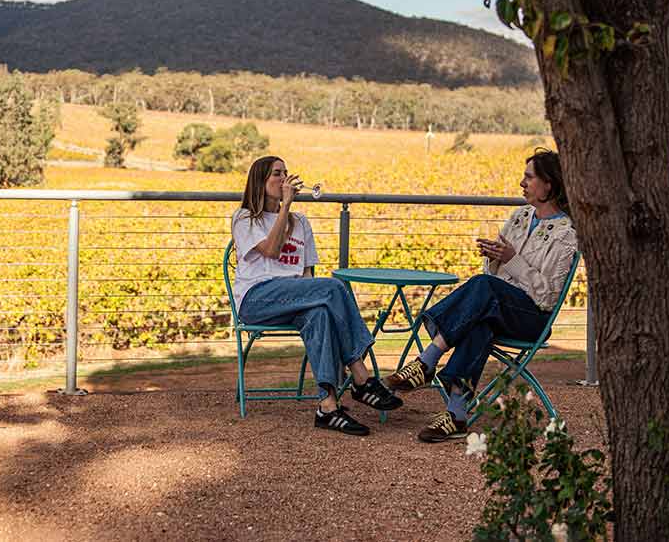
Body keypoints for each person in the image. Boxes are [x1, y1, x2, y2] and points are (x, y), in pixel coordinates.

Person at [384, 148, 578, 443]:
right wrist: (495, 258)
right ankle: (457, 414)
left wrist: (512, 259)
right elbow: (493, 275)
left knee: (483, 289)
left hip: (532, 318)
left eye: (529, 178)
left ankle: (426, 361)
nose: (522, 183)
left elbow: (547, 296)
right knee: (480, 321)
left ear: (548, 184)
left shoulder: (566, 233)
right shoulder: (520, 216)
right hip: (498, 307)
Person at [232, 155, 401, 436]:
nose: (285, 178)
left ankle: (327, 407)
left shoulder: (301, 222)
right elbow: (272, 250)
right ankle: (361, 376)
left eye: (286, 172)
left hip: (295, 297)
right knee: (333, 287)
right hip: (257, 299)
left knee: (320, 313)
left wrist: (311, 300)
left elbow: (307, 275)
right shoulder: (245, 218)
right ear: (260, 181)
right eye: (277, 174)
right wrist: (285, 205)